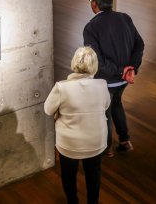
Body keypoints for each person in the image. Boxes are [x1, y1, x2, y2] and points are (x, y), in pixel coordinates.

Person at [83, 0, 144, 157]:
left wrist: (120, 70)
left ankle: (107, 148)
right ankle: (125, 140)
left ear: (95, 5)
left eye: (90, 0)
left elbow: (97, 61)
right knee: (116, 103)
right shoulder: (125, 18)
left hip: (106, 81)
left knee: (106, 112)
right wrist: (131, 68)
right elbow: (140, 45)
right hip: (124, 80)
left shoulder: (91, 27)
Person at [44, 47, 111, 204]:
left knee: (69, 176)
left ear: (74, 62)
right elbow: (106, 105)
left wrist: (59, 113)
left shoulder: (62, 87)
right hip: (96, 141)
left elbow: (48, 109)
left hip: (69, 144)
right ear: (95, 65)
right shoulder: (102, 84)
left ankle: (73, 201)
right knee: (93, 176)